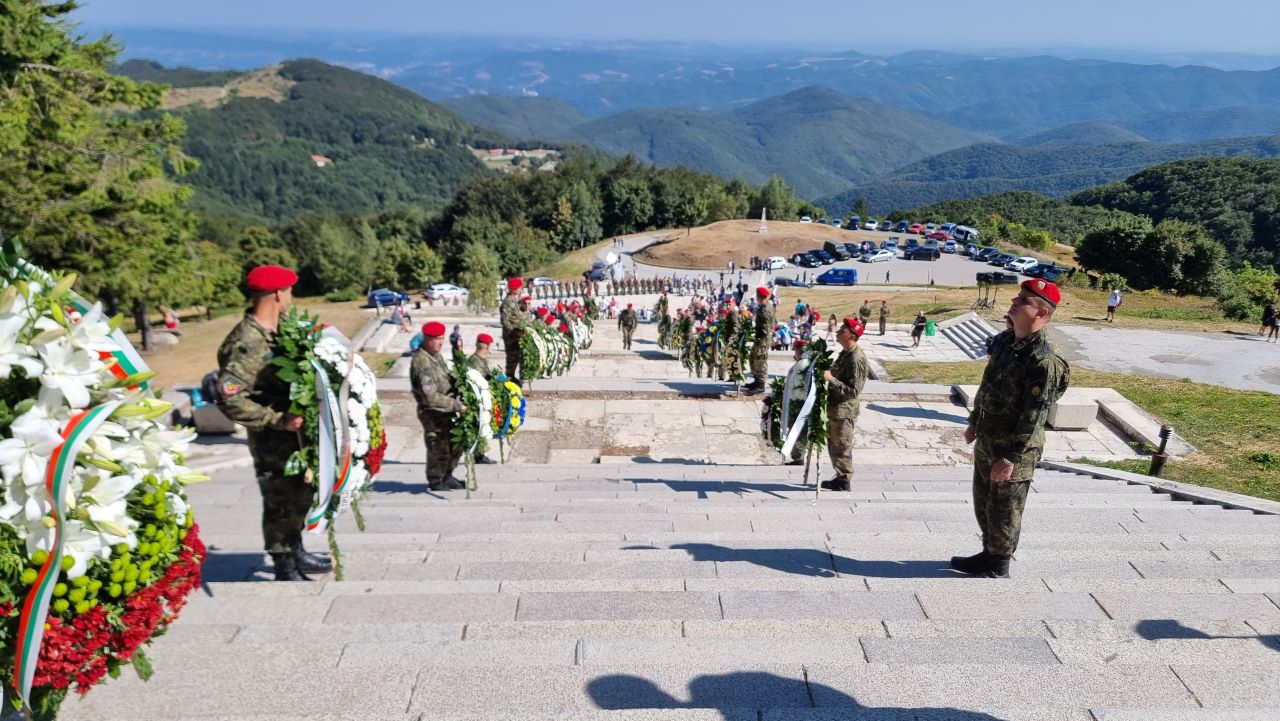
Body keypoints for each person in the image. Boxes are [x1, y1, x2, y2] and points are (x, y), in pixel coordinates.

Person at [216, 264, 331, 581]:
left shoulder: (276, 332)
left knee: (298, 494)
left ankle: (295, 549)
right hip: (272, 439)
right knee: (280, 498)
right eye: (289, 291)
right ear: (278, 294)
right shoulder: (247, 342)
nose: (291, 297)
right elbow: (229, 397)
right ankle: (284, 564)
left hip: (292, 436)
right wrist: (276, 419)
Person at [951, 279, 1070, 579]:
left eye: (1024, 300)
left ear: (1041, 313)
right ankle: (988, 553)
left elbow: (1035, 414)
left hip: (1014, 449)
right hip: (989, 438)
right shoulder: (1005, 342)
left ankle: (998, 565)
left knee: (1005, 509)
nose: (1015, 302)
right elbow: (988, 385)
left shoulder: (1043, 360)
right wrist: (974, 421)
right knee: (984, 502)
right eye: (1018, 297)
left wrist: (1012, 457)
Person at [411, 321, 467, 491]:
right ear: (427, 340)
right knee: (438, 447)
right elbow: (430, 396)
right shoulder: (422, 362)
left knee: (455, 443)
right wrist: (456, 404)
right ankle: (436, 481)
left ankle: (448, 475)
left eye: (442, 338)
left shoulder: (436, 355)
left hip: (446, 410)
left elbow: (448, 377)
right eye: (437, 339)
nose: (441, 342)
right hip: (433, 412)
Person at [821, 318, 869, 492]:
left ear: (852, 336)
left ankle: (844, 481)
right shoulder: (845, 352)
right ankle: (839, 476)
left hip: (844, 411)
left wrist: (831, 380)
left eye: (843, 329)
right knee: (834, 444)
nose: (839, 331)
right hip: (835, 408)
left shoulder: (856, 359)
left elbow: (854, 391)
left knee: (842, 445)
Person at [467, 334, 498, 465]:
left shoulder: (478, 359)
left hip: (479, 399)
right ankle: (478, 455)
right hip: (477, 401)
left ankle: (479, 454)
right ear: (486, 346)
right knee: (479, 425)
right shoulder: (476, 362)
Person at [744, 287, 775, 395]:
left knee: (760, 361)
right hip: (759, 338)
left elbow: (765, 330)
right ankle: (757, 381)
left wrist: (755, 337)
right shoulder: (763, 307)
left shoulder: (765, 310)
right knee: (753, 358)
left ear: (759, 297)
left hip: (762, 339)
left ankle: (761, 385)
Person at [785, 339, 809, 466]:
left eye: (795, 350)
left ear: (799, 350)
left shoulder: (801, 365)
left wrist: (791, 400)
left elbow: (796, 386)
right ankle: (798, 456)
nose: (794, 353)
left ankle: (798, 457)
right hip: (800, 402)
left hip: (798, 403)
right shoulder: (803, 362)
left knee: (798, 430)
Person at [500, 278, 526, 383]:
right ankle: (509, 377)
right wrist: (514, 331)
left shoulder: (513, 300)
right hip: (511, 335)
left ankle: (511, 377)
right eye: (520, 287)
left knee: (515, 356)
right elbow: (505, 321)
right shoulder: (507, 302)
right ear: (514, 289)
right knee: (512, 356)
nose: (521, 289)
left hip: (516, 334)